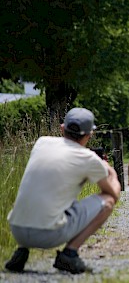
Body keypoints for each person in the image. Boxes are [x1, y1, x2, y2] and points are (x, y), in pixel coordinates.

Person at [5, 107, 121, 274]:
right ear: (90, 135)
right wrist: (111, 172)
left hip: (17, 230)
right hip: (49, 236)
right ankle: (70, 253)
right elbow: (113, 194)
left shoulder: (42, 142)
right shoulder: (88, 158)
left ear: (62, 128)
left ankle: (21, 251)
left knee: (45, 191)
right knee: (108, 202)